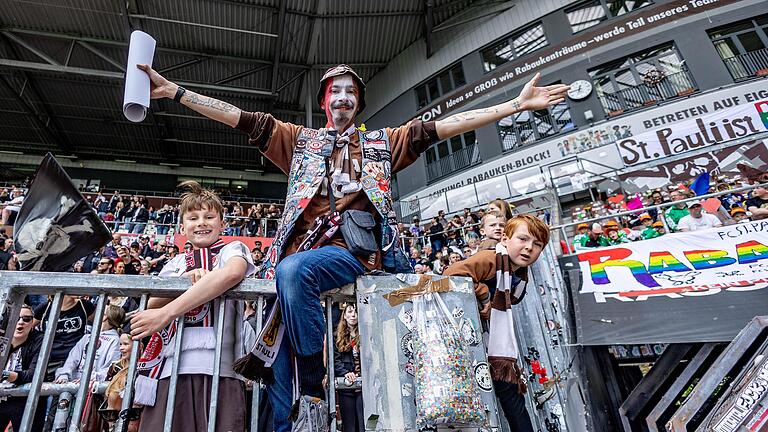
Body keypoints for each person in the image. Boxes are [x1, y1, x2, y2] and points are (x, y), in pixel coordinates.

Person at [137, 60, 567, 430]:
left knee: (295, 274)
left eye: (350, 92)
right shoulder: (299, 140)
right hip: (290, 269)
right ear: (325, 100)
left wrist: (515, 105)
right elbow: (236, 115)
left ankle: (314, 383)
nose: (342, 97)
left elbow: (446, 126)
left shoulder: (383, 143)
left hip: (348, 255)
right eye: (334, 91)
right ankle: (298, 399)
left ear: (357, 103)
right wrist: (176, 93)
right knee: (277, 386)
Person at [128, 181, 256, 432]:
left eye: (209, 216)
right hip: (170, 366)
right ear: (183, 226)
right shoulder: (175, 263)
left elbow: (232, 274)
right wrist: (184, 280)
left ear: (223, 223)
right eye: (193, 218)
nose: (201, 223)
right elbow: (152, 301)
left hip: (222, 367)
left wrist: (168, 312)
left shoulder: (232, 249)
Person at [444, 215, 550, 432]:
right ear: (505, 238)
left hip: (494, 346)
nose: (529, 248)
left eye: (537, 244)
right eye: (523, 239)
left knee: (513, 397)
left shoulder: (520, 272)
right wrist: (483, 294)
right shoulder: (491, 259)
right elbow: (451, 274)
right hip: (470, 344)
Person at [0, 305, 46, 431]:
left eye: (26, 319)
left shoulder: (40, 340)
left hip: (25, 401)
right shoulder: (2, 338)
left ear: (32, 322)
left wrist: (5, 375)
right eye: (17, 318)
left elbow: (34, 374)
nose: (21, 322)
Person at [54, 305, 124, 384]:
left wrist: (89, 378)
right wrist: (64, 375)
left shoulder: (115, 340)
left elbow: (110, 367)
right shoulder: (87, 336)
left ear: (105, 317)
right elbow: (72, 359)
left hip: (92, 388)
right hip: (72, 383)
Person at [34, 295, 96, 380]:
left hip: (74, 360)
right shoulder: (45, 307)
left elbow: (101, 321)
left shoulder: (85, 305)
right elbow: (28, 327)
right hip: (49, 360)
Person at [334, 304, 363, 432]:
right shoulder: (338, 336)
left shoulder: (365, 332)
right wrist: (346, 373)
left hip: (364, 388)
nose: (353, 315)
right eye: (350, 312)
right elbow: (335, 360)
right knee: (349, 426)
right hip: (347, 388)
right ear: (344, 316)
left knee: (364, 425)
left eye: (356, 312)